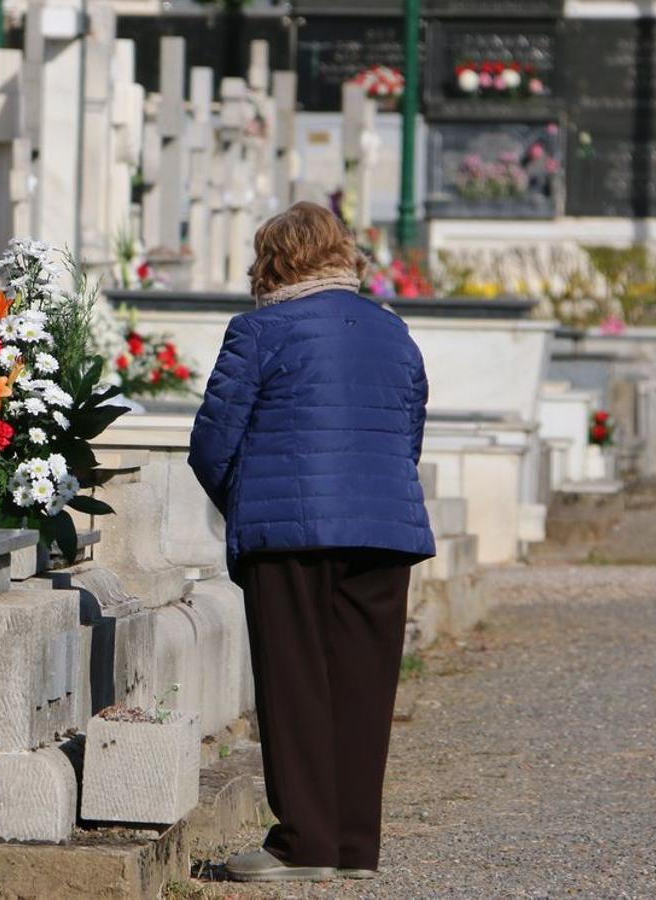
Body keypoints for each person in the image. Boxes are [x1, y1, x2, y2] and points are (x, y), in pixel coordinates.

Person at [188, 202, 436, 883]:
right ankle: (355, 844)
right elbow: (408, 432)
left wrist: (244, 503)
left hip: (289, 529)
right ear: (342, 255)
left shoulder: (259, 331)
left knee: (296, 681)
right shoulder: (394, 334)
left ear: (273, 260)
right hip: (384, 528)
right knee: (364, 683)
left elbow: (213, 441)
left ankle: (303, 843)